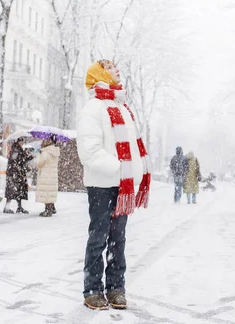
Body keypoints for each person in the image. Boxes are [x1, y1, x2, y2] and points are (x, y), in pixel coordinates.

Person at [77, 59, 151, 311]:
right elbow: (89, 151)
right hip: (102, 185)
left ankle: (116, 288)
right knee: (98, 238)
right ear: (100, 74)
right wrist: (121, 170)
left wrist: (136, 172)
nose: (116, 68)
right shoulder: (94, 108)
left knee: (118, 240)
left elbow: (132, 148)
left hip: (122, 187)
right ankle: (93, 289)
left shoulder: (123, 108)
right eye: (109, 66)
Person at [3, 137, 34, 214]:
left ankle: (19, 207)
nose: (22, 142)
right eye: (21, 141)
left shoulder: (19, 149)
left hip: (18, 173)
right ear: (17, 141)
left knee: (19, 190)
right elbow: (18, 160)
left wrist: (29, 156)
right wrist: (28, 157)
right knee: (12, 190)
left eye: (22, 141)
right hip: (14, 173)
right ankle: (6, 208)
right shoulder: (15, 149)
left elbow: (22, 160)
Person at [36, 135, 60, 217]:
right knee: (49, 191)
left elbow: (39, 163)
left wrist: (39, 154)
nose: (44, 141)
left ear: (49, 141)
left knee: (46, 192)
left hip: (45, 175)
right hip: (52, 175)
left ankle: (47, 210)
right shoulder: (54, 151)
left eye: (46, 140)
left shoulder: (46, 152)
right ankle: (51, 208)